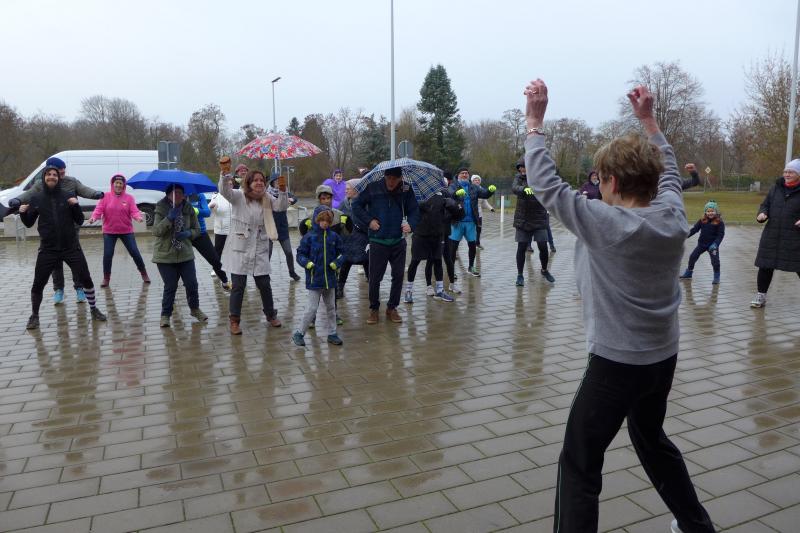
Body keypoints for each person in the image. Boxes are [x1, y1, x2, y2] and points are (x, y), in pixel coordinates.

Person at [523, 79, 714, 533]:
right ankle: (695, 525)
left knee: (579, 463)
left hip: (615, 365)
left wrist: (534, 123)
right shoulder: (672, 213)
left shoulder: (603, 221)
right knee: (651, 439)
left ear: (610, 182)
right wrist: (649, 121)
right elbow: (670, 170)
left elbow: (546, 185)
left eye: (599, 179)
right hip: (662, 358)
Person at [20, 166, 107, 329]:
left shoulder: (67, 196)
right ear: (44, 178)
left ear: (58, 178)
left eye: (54, 175)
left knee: (86, 279)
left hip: (70, 247)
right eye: (48, 174)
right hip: (48, 249)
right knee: (38, 283)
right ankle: (34, 316)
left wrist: (75, 206)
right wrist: (23, 213)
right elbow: (29, 223)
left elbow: (79, 220)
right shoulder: (37, 198)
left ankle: (94, 309)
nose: (52, 177)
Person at [220, 170, 288, 335]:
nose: (259, 183)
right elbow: (224, 191)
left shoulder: (267, 197)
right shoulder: (239, 196)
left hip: (259, 245)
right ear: (248, 183)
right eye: (255, 180)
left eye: (261, 180)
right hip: (241, 246)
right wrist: (224, 175)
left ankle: (271, 315)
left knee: (264, 284)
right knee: (238, 286)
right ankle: (234, 320)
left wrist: (282, 190)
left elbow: (281, 206)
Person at [352, 166, 419, 324]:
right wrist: (369, 221)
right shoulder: (373, 188)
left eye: (394, 179)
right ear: (384, 176)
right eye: (388, 178)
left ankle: (392, 308)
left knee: (398, 276)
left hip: (398, 240)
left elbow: (414, 210)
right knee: (375, 277)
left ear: (400, 178)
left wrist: (411, 224)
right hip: (378, 240)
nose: (391, 182)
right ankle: (374, 309)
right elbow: (356, 206)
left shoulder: (406, 189)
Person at [152, 184, 207, 328]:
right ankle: (165, 315)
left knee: (192, 283)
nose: (178, 196)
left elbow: (197, 229)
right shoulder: (161, 208)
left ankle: (195, 309)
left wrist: (188, 233)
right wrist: (169, 218)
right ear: (168, 194)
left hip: (185, 253)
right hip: (165, 254)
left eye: (180, 193)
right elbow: (156, 231)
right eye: (174, 193)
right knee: (170, 286)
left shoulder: (188, 208)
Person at [292, 206, 345, 347]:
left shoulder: (334, 237)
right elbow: (300, 254)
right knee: (311, 309)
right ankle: (299, 333)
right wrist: (307, 263)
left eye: (328, 221)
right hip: (314, 279)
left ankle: (332, 333)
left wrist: (337, 263)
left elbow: (343, 253)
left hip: (330, 279)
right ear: (317, 220)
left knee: (331, 308)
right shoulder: (309, 237)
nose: (325, 223)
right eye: (322, 220)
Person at [750, 159, 800, 308]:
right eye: (785, 171)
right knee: (765, 265)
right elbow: (765, 205)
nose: (787, 174)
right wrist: (762, 214)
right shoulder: (776, 188)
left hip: (794, 237)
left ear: (798, 174)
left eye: (791, 172)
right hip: (771, 235)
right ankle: (761, 296)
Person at [88, 174, 150, 287]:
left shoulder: (129, 198)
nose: (118, 185)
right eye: (116, 183)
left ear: (123, 185)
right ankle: (106, 278)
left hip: (126, 231)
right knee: (108, 255)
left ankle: (144, 273)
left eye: (121, 183)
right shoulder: (105, 197)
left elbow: (134, 211)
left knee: (135, 252)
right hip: (109, 232)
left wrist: (138, 217)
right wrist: (93, 218)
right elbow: (98, 210)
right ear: (112, 184)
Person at [404, 185, 459, 304]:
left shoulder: (442, 193)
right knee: (415, 262)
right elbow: (408, 210)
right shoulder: (416, 194)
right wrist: (419, 205)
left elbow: (456, 214)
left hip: (437, 234)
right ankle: (408, 291)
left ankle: (439, 290)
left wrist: (453, 205)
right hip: (420, 234)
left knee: (438, 261)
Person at [512, 158, 556, 286]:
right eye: (520, 167)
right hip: (523, 219)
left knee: (543, 246)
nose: (522, 169)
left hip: (539, 218)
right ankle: (520, 275)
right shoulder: (518, 178)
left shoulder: (540, 178)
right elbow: (515, 188)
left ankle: (544, 270)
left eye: (524, 167)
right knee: (521, 247)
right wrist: (524, 189)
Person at [448, 168, 496, 278]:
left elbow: (484, 194)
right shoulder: (453, 186)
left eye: (466, 173)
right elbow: (449, 195)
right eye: (462, 173)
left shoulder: (473, 187)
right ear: (458, 175)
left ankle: (471, 267)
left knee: (472, 245)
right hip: (457, 221)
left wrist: (490, 191)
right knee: (453, 247)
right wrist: (455, 193)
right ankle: (451, 270)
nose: (465, 175)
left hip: (471, 222)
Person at [424, 172, 461, 295]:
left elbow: (455, 211)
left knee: (448, 259)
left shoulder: (446, 193)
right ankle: (429, 286)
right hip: (432, 233)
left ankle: (452, 284)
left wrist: (457, 206)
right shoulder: (427, 195)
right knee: (431, 259)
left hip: (445, 231)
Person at [189, 192, 230, 290]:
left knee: (215, 259)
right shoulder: (175, 195)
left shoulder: (198, 195)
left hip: (200, 233)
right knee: (183, 263)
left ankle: (225, 281)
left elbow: (207, 212)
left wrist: (194, 210)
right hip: (183, 235)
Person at [337, 178, 369, 299]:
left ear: (357, 189)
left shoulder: (365, 203)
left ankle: (373, 288)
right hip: (348, 239)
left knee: (367, 262)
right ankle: (340, 288)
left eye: (348, 189)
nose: (345, 191)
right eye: (345, 189)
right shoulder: (343, 203)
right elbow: (338, 218)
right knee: (345, 263)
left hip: (363, 238)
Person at [680, 200, 725, 285]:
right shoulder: (702, 220)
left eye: (712, 211)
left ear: (716, 211)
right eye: (708, 211)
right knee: (692, 257)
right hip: (702, 244)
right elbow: (695, 229)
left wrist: (715, 244)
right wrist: (686, 235)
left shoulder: (719, 222)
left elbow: (720, 235)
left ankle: (716, 276)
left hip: (713, 246)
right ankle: (689, 273)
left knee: (715, 262)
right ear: (705, 212)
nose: (710, 213)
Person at [267, 174, 301, 282]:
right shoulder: (267, 194)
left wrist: (291, 199)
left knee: (289, 252)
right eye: (275, 182)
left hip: (282, 227)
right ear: (272, 183)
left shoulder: (285, 192)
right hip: (269, 226)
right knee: (267, 253)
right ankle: (265, 274)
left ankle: (292, 272)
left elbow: (295, 198)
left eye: (279, 181)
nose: (278, 183)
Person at [470, 174, 494, 249]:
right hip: (471, 213)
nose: (477, 181)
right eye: (475, 180)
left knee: (478, 229)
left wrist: (490, 208)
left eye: (478, 180)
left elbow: (484, 202)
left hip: (479, 214)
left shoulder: (482, 190)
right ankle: (470, 244)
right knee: (469, 229)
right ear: (472, 181)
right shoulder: (469, 188)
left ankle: (477, 243)